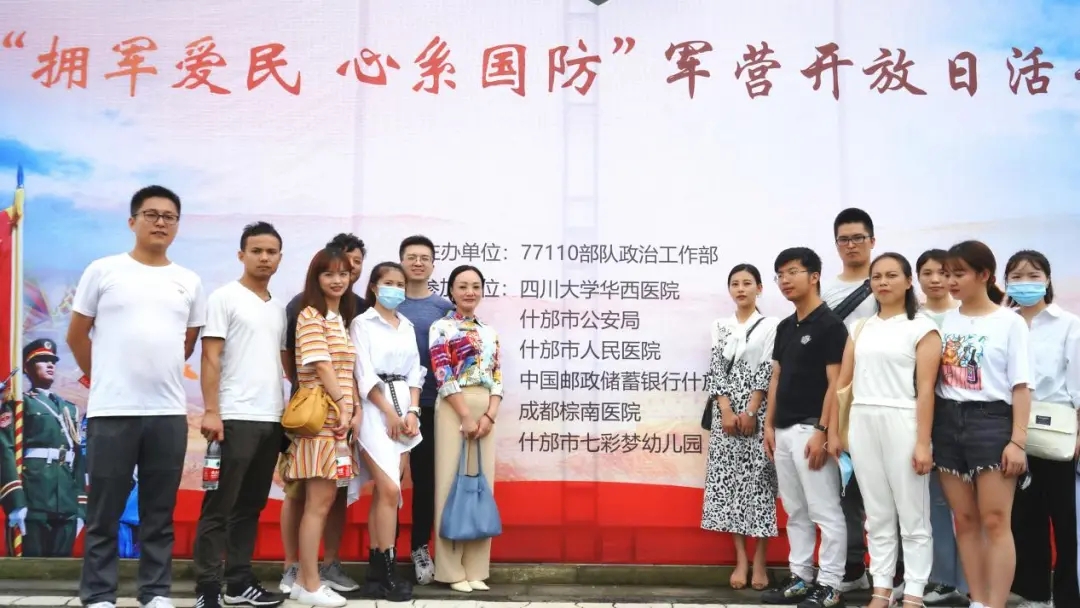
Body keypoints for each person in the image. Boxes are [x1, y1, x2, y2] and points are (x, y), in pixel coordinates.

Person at [69, 186, 207, 608]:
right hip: (112, 411)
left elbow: (186, 343)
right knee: (104, 510)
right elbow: (77, 335)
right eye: (151, 214)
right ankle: (99, 594)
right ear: (133, 221)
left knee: (158, 511)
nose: (160, 222)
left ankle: (155, 592)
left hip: (167, 413)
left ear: (177, 226)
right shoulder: (104, 271)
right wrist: (104, 378)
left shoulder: (188, 281)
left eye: (169, 216)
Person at [192, 222, 289, 608]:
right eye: (256, 251)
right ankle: (207, 588)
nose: (264, 258)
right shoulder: (224, 298)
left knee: (250, 506)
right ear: (241, 255)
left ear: (279, 258)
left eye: (271, 252)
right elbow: (210, 356)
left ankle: (237, 583)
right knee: (219, 506)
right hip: (233, 417)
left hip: (271, 419)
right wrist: (211, 410)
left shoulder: (278, 308)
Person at [838, 253, 941, 608]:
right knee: (877, 514)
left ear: (909, 281)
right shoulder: (860, 327)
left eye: (892, 275)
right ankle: (881, 589)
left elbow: (926, 390)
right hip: (863, 420)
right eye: (877, 276)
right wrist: (836, 431)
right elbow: (843, 383)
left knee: (913, 516)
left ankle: (914, 592)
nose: (883, 282)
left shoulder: (923, 327)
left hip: (903, 420)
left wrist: (923, 442)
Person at [933, 240, 1030, 608]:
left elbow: (1021, 386)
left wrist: (1017, 442)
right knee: (965, 519)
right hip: (947, 421)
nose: (950, 281)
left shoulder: (1010, 322)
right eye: (947, 274)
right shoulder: (946, 321)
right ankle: (978, 599)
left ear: (984, 274)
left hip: (991, 423)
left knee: (995, 520)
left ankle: (995, 603)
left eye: (959, 273)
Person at [279, 233, 366, 596]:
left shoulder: (338, 318)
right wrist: (344, 406)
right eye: (328, 273)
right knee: (316, 504)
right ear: (316, 277)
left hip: (338, 424)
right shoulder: (310, 315)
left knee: (326, 500)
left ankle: (307, 580)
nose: (337, 279)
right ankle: (308, 582)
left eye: (343, 273)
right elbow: (322, 366)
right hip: (321, 423)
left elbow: (346, 371)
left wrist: (354, 409)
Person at [761, 247, 847, 608]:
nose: (785, 281)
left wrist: (823, 430)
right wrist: (768, 424)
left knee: (825, 510)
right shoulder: (785, 326)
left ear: (814, 277)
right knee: (795, 510)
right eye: (780, 274)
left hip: (812, 430)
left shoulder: (830, 325)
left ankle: (830, 584)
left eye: (792, 272)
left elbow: (836, 383)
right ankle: (800, 576)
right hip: (782, 431)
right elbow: (776, 377)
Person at [1004, 250, 1080, 607]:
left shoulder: (1068, 324)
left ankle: (1067, 596)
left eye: (1033, 276)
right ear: (1005, 283)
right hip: (1012, 432)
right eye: (1016, 277)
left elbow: (1077, 382)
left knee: (1064, 520)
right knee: (1024, 517)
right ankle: (1034, 593)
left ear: (1047, 280)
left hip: (1057, 431)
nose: (1025, 283)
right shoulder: (1004, 323)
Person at [701, 263, 779, 592]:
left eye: (748, 283)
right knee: (730, 484)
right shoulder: (720, 325)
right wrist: (725, 409)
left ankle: (760, 559)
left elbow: (768, 368)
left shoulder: (772, 325)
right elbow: (716, 367)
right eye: (735, 284)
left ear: (760, 288)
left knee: (759, 485)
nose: (741, 289)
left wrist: (751, 410)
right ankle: (741, 559)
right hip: (726, 414)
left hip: (758, 414)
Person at [350, 262, 424, 601]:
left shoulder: (406, 325)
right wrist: (389, 412)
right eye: (388, 283)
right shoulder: (362, 324)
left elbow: (415, 372)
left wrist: (412, 412)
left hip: (404, 410)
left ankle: (378, 573)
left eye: (400, 283)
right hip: (373, 411)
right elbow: (363, 374)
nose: (395, 289)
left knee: (386, 495)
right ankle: (387, 571)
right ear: (374, 287)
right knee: (390, 489)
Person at [429, 265, 502, 594]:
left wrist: (489, 416)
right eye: (462, 286)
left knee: (481, 486)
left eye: (475, 286)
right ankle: (449, 569)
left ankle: (476, 569)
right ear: (452, 291)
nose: (469, 292)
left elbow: (497, 376)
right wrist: (465, 415)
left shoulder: (490, 332)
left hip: (485, 408)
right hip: (452, 406)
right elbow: (442, 373)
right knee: (450, 485)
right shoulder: (442, 327)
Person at [821, 207, 876, 594]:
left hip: (880, 397)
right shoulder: (825, 292)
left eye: (858, 238)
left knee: (885, 490)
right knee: (844, 487)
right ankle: (854, 567)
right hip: (838, 398)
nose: (851, 245)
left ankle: (897, 575)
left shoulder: (888, 283)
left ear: (872, 240)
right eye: (844, 239)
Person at [396, 235, 453, 585]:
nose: (418, 263)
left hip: (432, 407)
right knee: (389, 483)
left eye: (424, 258)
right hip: (390, 408)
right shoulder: (387, 303)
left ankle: (420, 547)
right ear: (401, 261)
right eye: (411, 257)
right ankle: (384, 553)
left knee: (425, 480)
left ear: (432, 264)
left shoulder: (444, 308)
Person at [915, 249, 968, 606]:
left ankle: (971, 582)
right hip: (923, 418)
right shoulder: (911, 318)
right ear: (917, 278)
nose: (935, 279)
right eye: (927, 273)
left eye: (943, 273)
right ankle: (943, 579)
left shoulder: (965, 316)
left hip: (965, 419)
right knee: (934, 503)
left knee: (969, 507)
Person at [0, 338, 86, 557]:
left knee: (61, 570)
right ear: (27, 368)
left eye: (53, 361)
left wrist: (81, 509)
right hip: (33, 499)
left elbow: (78, 459)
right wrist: (15, 501)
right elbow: (5, 451)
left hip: (66, 502)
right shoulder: (19, 404)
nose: (50, 365)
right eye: (42, 360)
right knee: (29, 569)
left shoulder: (70, 409)